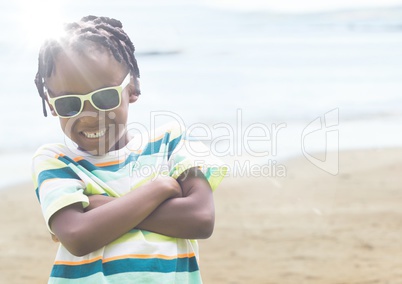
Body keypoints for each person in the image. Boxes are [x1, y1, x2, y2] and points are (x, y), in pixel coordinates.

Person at [32, 15, 226, 283]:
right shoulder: (56, 161)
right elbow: (78, 236)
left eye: (104, 97)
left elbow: (200, 218)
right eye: (69, 104)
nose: (88, 116)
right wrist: (159, 188)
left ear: (132, 86)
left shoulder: (171, 142)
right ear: (51, 105)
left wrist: (99, 207)